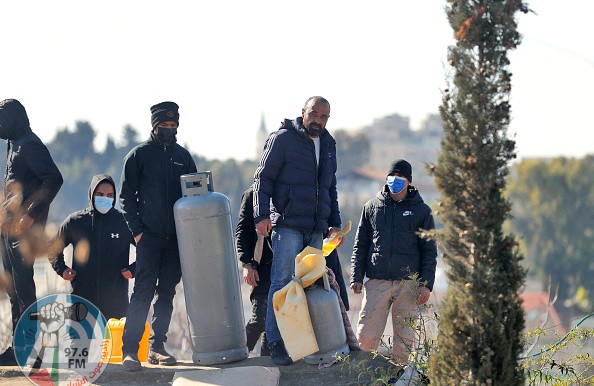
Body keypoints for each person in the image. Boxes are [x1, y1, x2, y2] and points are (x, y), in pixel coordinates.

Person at [253, 96, 342, 365]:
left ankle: (308, 345)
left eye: (324, 117)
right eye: (314, 114)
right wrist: (261, 215)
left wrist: (334, 222)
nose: (318, 120)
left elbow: (330, 187)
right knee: (281, 283)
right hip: (287, 225)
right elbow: (263, 178)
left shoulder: (328, 144)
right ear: (303, 112)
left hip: (316, 229)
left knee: (313, 286)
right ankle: (276, 344)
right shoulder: (282, 139)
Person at [119, 101, 197, 371]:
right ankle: (130, 351)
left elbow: (196, 195)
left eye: (173, 125)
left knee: (166, 294)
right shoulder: (139, 155)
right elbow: (126, 196)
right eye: (164, 125)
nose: (169, 129)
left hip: (175, 240)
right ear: (154, 126)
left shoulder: (183, 157)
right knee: (141, 293)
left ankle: (157, 347)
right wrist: (137, 232)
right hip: (148, 239)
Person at [350, 159, 437, 364]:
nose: (395, 181)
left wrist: (425, 285)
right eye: (392, 176)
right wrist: (356, 276)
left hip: (408, 285)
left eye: (400, 177)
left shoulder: (422, 211)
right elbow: (360, 245)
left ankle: (399, 377)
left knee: (404, 341)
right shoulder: (371, 207)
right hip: (377, 283)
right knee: (366, 337)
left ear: (409, 182)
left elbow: (429, 252)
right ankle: (364, 378)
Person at [0, 99, 63, 365]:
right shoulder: (14, 143)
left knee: (24, 289)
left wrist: (30, 215)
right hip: (9, 230)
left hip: (24, 232)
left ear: (14, 119)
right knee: (14, 288)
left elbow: (54, 179)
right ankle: (19, 348)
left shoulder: (29, 144)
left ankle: (33, 351)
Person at [50, 174, 136, 320]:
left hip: (116, 303)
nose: (105, 198)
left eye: (110, 195)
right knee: (78, 342)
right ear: (91, 194)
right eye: (100, 194)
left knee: (115, 343)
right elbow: (53, 248)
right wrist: (62, 269)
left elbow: (147, 249)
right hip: (81, 300)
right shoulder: (76, 221)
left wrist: (134, 269)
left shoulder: (124, 222)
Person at [235, 185, 273, 356]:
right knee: (260, 319)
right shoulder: (252, 194)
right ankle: (238, 354)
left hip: (287, 265)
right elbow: (242, 230)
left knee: (277, 322)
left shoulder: (289, 189)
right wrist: (246, 264)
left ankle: (268, 363)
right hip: (261, 267)